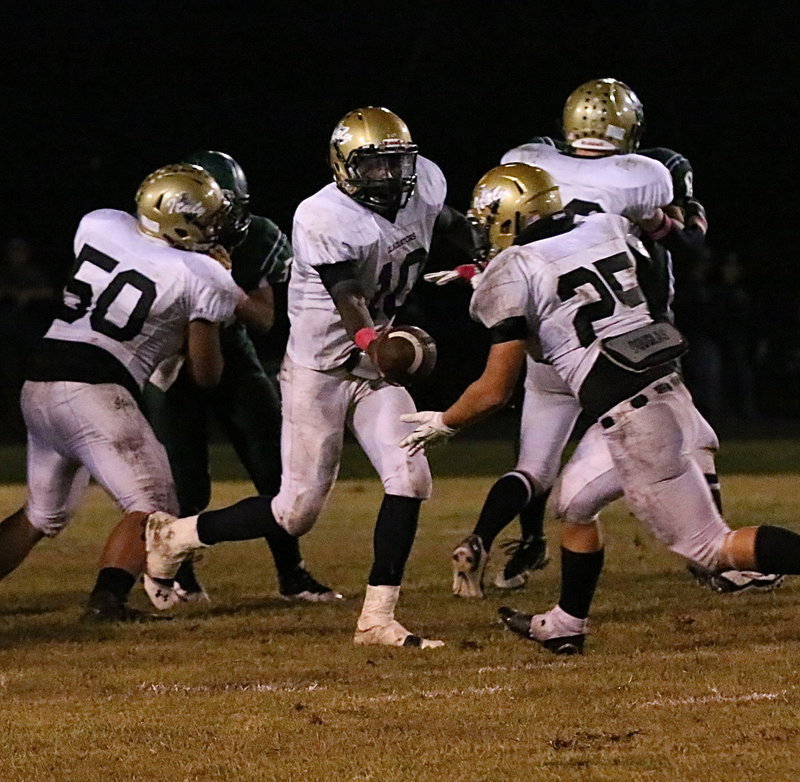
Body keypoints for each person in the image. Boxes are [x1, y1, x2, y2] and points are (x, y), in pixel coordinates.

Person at [401, 163, 800, 654]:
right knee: (574, 504)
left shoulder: (512, 270)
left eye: (488, 224)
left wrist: (444, 422)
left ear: (510, 219)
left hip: (634, 420)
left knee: (712, 548)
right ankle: (566, 624)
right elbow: (579, 275)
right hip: (665, 391)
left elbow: (495, 390)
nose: (482, 236)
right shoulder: (602, 225)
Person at [143, 106, 479, 647]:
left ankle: (376, 619)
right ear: (344, 167)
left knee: (410, 478)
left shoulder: (425, 184)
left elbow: (449, 222)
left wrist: (483, 258)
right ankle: (175, 536)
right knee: (295, 513)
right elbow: (347, 293)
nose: (389, 176)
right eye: (375, 166)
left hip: (371, 369)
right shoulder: (323, 215)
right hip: (318, 370)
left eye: (397, 163)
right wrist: (375, 344)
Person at [438, 77, 780, 597]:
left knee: (535, 465)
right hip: (622, 343)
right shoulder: (643, 179)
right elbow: (689, 248)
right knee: (686, 436)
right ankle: (716, 556)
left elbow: (510, 246)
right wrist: (678, 221)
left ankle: (523, 543)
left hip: (547, 342)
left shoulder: (531, 164)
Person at [0, 164, 250, 621]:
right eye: (208, 216)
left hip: (40, 379)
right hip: (95, 389)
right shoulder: (203, 273)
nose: (216, 226)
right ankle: (107, 602)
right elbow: (206, 373)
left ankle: (108, 599)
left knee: (41, 514)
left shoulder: (101, 224)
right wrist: (214, 305)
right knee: (153, 505)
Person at [136, 150, 340, 608]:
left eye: (227, 208)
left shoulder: (256, 236)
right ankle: (178, 574)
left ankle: (292, 573)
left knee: (276, 469)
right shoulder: (152, 246)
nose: (224, 220)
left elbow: (264, 319)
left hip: (233, 351)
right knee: (185, 482)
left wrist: (221, 284)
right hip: (168, 361)